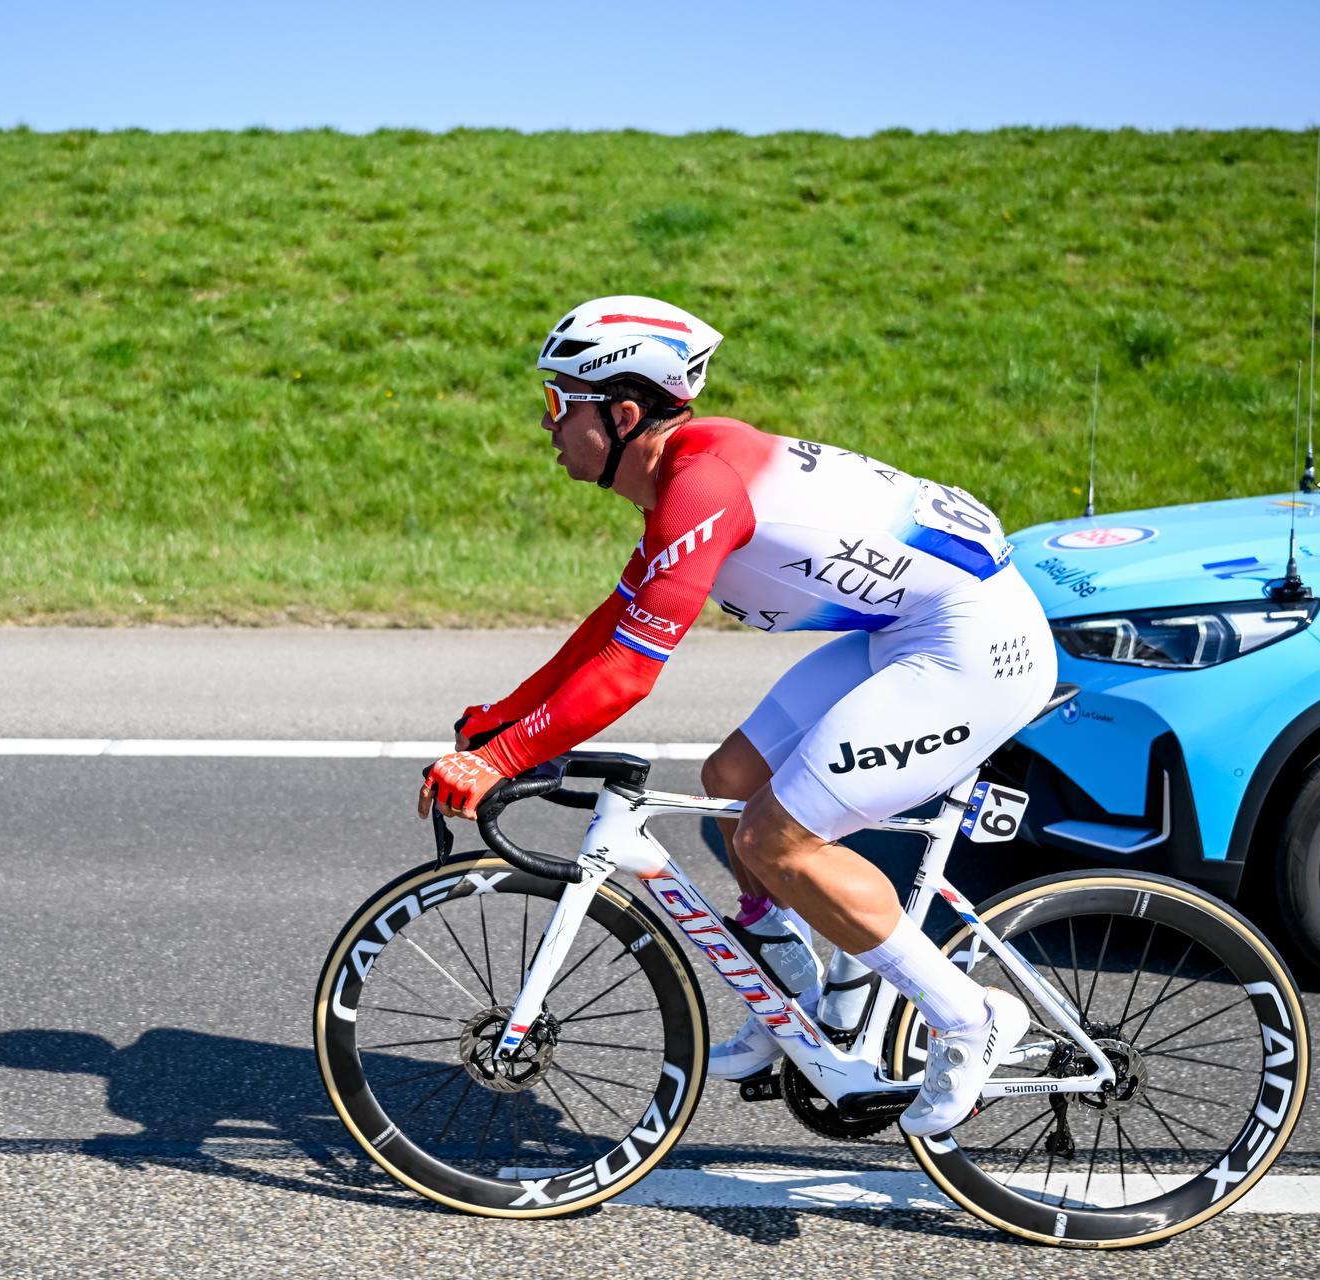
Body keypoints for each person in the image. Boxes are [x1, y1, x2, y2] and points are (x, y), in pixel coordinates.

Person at [417, 295, 1057, 1137]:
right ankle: (794, 988)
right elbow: (608, 628)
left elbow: (627, 676)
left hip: (975, 650)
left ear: (622, 413)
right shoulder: (683, 474)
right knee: (730, 784)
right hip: (909, 631)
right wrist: (503, 721)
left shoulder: (703, 486)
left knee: (777, 840)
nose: (547, 426)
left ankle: (970, 1016)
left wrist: (497, 763)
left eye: (556, 403)